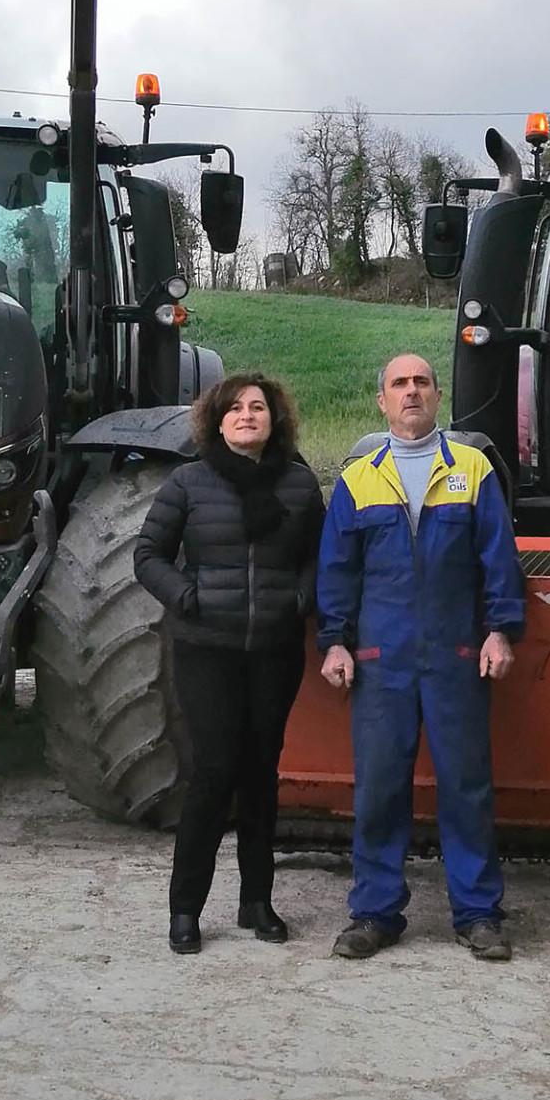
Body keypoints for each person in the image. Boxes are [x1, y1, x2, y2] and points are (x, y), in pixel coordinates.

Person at [316, 354, 525, 963]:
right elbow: (336, 570)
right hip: (381, 660)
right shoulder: (357, 479)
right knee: (379, 788)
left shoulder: (472, 468)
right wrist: (334, 640)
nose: (411, 392)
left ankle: (479, 913)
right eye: (399, 384)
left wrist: (501, 631)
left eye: (422, 383)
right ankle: (375, 912)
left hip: (457, 654)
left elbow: (498, 559)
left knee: (466, 786)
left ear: (439, 396)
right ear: (381, 401)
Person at [133, 374, 325, 956]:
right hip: (206, 649)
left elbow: (321, 556)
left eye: (258, 407)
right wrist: (188, 597)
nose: (247, 415)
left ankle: (256, 902)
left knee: (261, 773)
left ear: (275, 420)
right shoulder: (188, 482)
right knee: (213, 774)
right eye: (236, 408)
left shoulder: (297, 484)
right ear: (217, 421)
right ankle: (185, 909)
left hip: (274, 649)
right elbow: (148, 555)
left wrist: (300, 599)